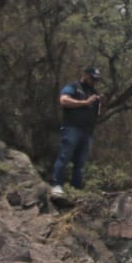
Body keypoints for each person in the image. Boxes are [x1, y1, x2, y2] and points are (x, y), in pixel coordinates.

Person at [50, 66, 103, 198]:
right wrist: (84, 102)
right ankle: (57, 185)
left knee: (80, 163)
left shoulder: (94, 93)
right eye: (92, 78)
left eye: (96, 80)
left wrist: (103, 103)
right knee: (65, 156)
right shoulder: (74, 87)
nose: (93, 82)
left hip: (87, 131)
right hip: (72, 128)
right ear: (84, 75)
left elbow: (98, 114)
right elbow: (63, 100)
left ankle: (76, 190)